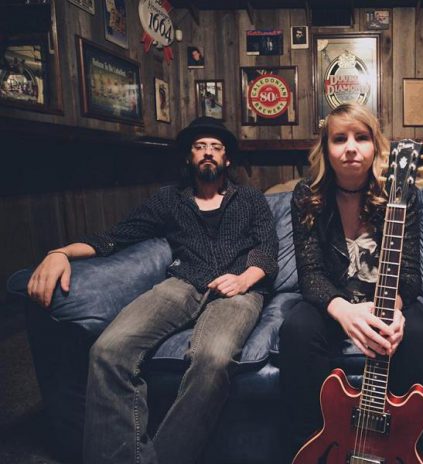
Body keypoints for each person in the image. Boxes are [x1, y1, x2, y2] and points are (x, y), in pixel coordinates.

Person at [27, 117, 279, 464]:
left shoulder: (250, 199)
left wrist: (243, 280)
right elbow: (115, 237)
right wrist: (61, 252)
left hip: (239, 289)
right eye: (200, 146)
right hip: (182, 282)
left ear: (227, 160)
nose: (208, 153)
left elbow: (267, 251)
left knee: (213, 359)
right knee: (107, 350)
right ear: (189, 157)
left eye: (216, 148)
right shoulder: (168, 200)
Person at [279, 103, 423, 460]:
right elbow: (310, 273)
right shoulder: (307, 195)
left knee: (421, 336)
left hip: (385, 300)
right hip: (334, 301)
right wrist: (345, 312)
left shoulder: (402, 195)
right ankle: (317, 444)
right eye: (339, 138)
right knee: (295, 331)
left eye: (361, 137)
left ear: (375, 145)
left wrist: (394, 311)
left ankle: (410, 450)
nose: (351, 147)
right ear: (326, 148)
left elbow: (410, 275)